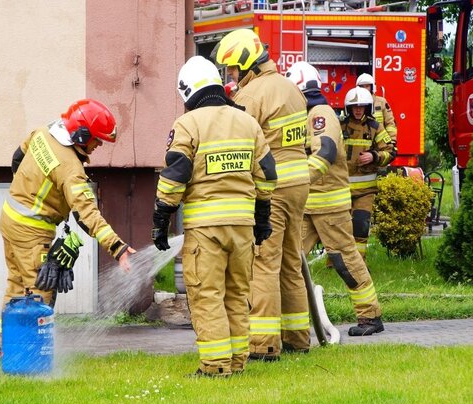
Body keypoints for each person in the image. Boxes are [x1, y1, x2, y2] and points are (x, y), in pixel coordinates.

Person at [151, 56, 277, 377]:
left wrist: (161, 219)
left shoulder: (188, 124)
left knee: (207, 295)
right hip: (243, 229)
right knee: (237, 295)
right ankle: (237, 362)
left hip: (205, 231)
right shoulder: (247, 122)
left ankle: (215, 366)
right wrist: (262, 217)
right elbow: (267, 174)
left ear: (187, 91)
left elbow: (175, 176)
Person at [0, 98, 136, 357]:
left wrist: (31, 190)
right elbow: (87, 212)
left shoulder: (42, 133)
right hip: (32, 232)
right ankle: (30, 357)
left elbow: (17, 158)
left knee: (15, 288)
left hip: (9, 218)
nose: (97, 146)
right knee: (39, 294)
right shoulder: (70, 168)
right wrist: (117, 247)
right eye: (96, 140)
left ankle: (5, 349)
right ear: (82, 135)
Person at [213, 29, 311, 360]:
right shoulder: (290, 87)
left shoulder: (252, 96)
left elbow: (239, 142)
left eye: (233, 69)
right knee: (291, 262)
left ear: (246, 64)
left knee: (264, 263)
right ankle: (297, 337)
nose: (231, 75)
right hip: (300, 185)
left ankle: (264, 343)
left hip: (274, 187)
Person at [286, 62, 384, 336]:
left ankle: (370, 316)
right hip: (306, 206)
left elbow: (325, 152)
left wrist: (299, 179)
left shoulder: (320, 114)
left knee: (345, 260)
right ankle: (290, 324)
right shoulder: (302, 115)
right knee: (289, 259)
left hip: (329, 206)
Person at [341, 87, 397, 261]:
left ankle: (358, 263)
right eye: (355, 107)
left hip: (365, 191)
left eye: (362, 106)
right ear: (349, 108)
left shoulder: (374, 127)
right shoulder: (340, 126)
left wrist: (374, 156)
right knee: (340, 227)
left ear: (367, 107)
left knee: (360, 225)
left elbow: (390, 152)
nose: (358, 110)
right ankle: (335, 263)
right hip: (341, 189)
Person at [356, 73, 398, 146]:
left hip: (381, 142)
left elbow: (390, 123)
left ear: (372, 87)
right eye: (362, 86)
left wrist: (392, 141)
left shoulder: (381, 102)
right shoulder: (355, 104)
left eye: (367, 86)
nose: (365, 89)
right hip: (363, 143)